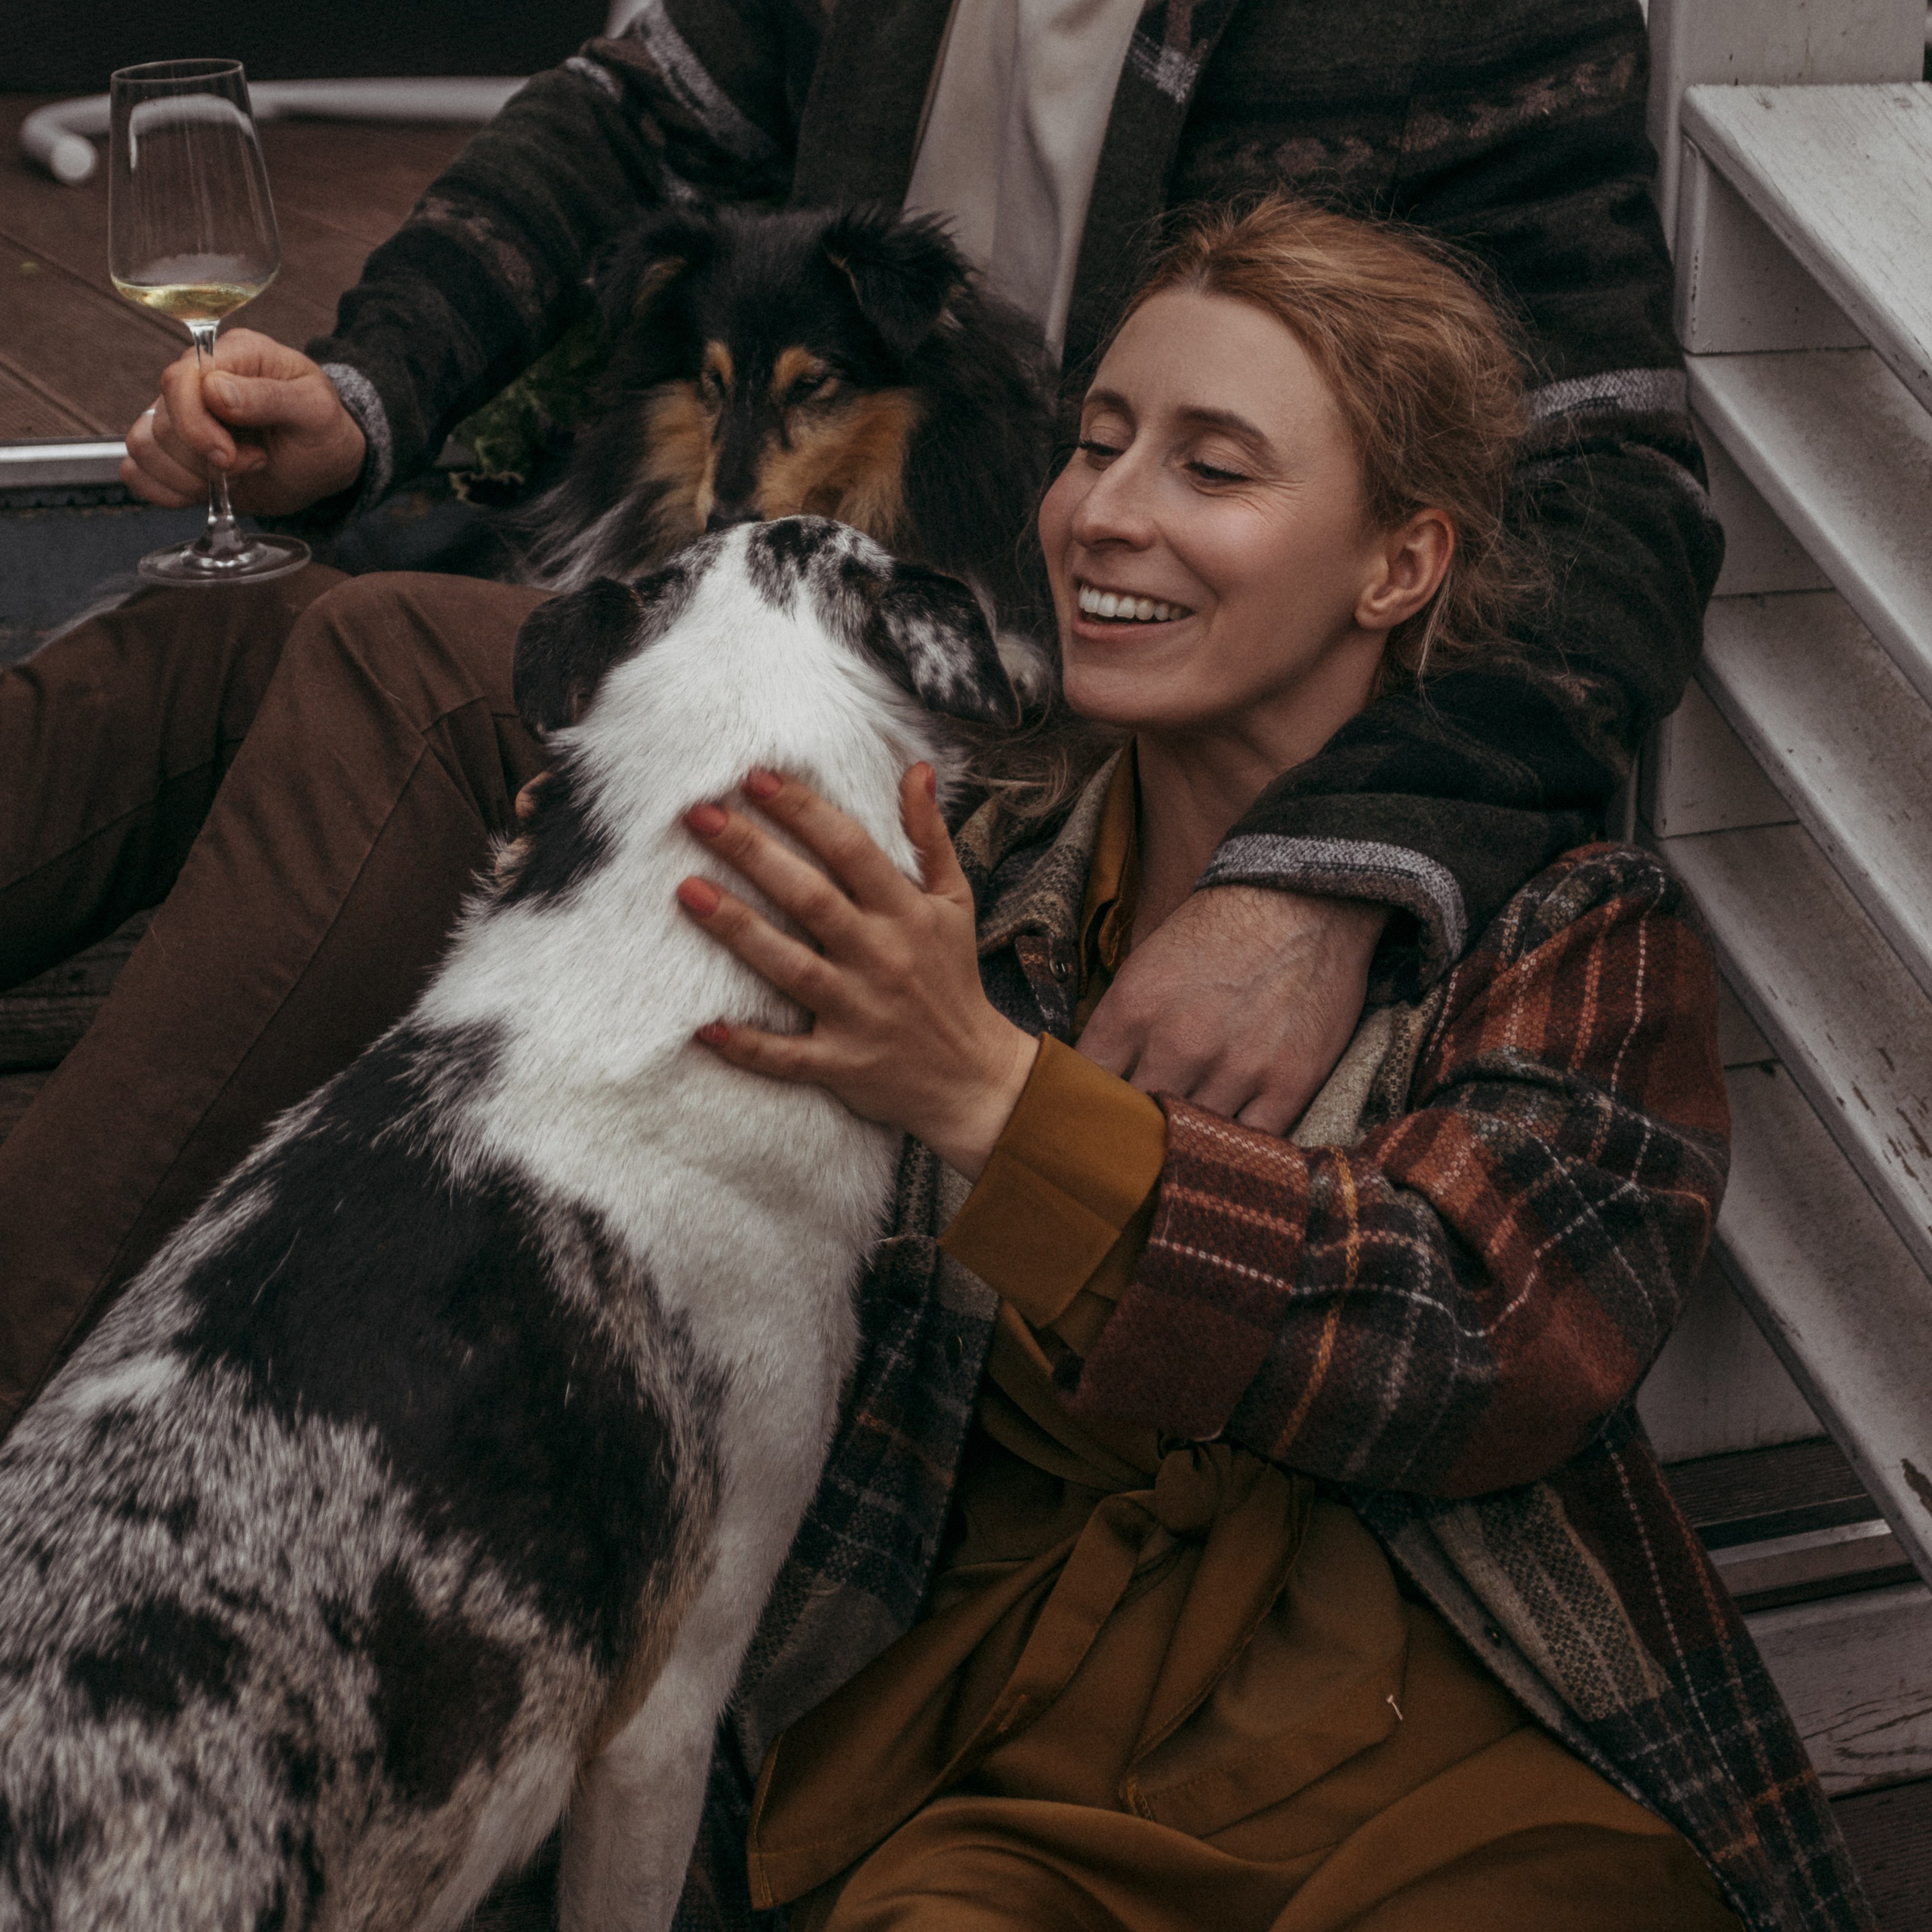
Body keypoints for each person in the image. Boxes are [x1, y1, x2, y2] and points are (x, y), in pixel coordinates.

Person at [0, 0, 1718, 1431]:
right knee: (235, 621)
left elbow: (1615, 485)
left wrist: (1314, 876)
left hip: (1049, 709)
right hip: (807, 598)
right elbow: (629, 125)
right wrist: (364, 392)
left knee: (401, 663)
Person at [652, 198, 1860, 1932]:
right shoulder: (949, 862)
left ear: (1399, 563)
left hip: (1444, 1732)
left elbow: (1481, 1346)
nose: (1100, 512)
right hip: (991, 1746)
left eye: (1210, 468)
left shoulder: (1565, 929)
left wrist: (994, 1099)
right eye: (1096, 442)